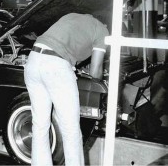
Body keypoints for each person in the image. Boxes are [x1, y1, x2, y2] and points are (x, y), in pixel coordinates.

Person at [24, 13, 109, 166]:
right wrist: (103, 81)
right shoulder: (102, 30)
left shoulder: (72, 16)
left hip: (33, 60)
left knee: (40, 125)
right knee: (71, 130)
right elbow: (95, 71)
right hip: (56, 67)